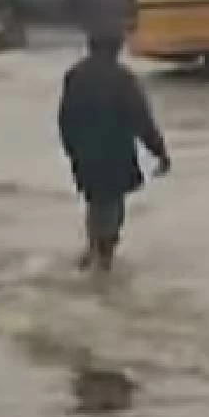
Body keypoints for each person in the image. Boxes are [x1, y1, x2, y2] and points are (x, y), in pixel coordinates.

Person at [58, 26, 170, 273]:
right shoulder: (122, 78)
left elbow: (64, 118)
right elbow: (141, 119)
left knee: (95, 202)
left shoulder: (74, 76)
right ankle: (103, 265)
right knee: (112, 207)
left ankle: (92, 255)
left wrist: (71, 151)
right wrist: (160, 153)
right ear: (117, 47)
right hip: (114, 153)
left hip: (84, 154)